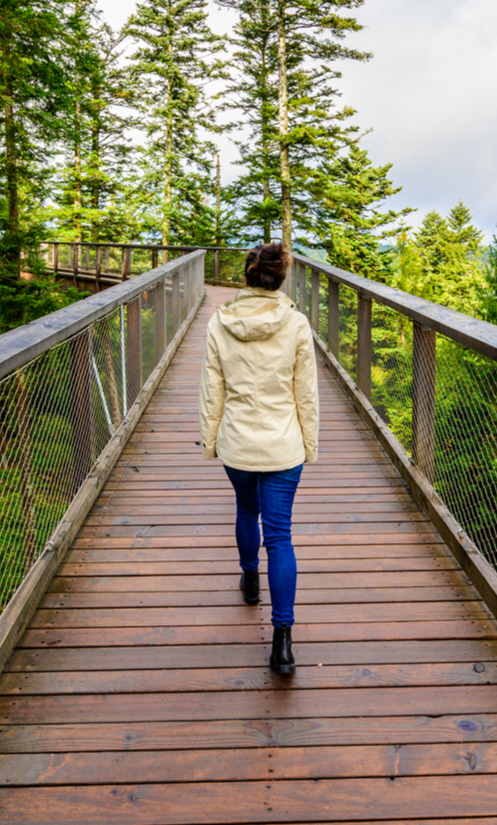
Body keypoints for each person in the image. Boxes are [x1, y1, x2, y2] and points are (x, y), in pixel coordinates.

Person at [198, 242, 319, 674]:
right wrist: (310, 443)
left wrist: (211, 440)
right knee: (280, 536)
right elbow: (305, 391)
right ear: (280, 280)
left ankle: (250, 578)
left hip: (238, 442)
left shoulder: (219, 321)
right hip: (284, 444)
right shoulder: (297, 324)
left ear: (246, 278)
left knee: (246, 509)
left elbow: (214, 390)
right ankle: (282, 643)